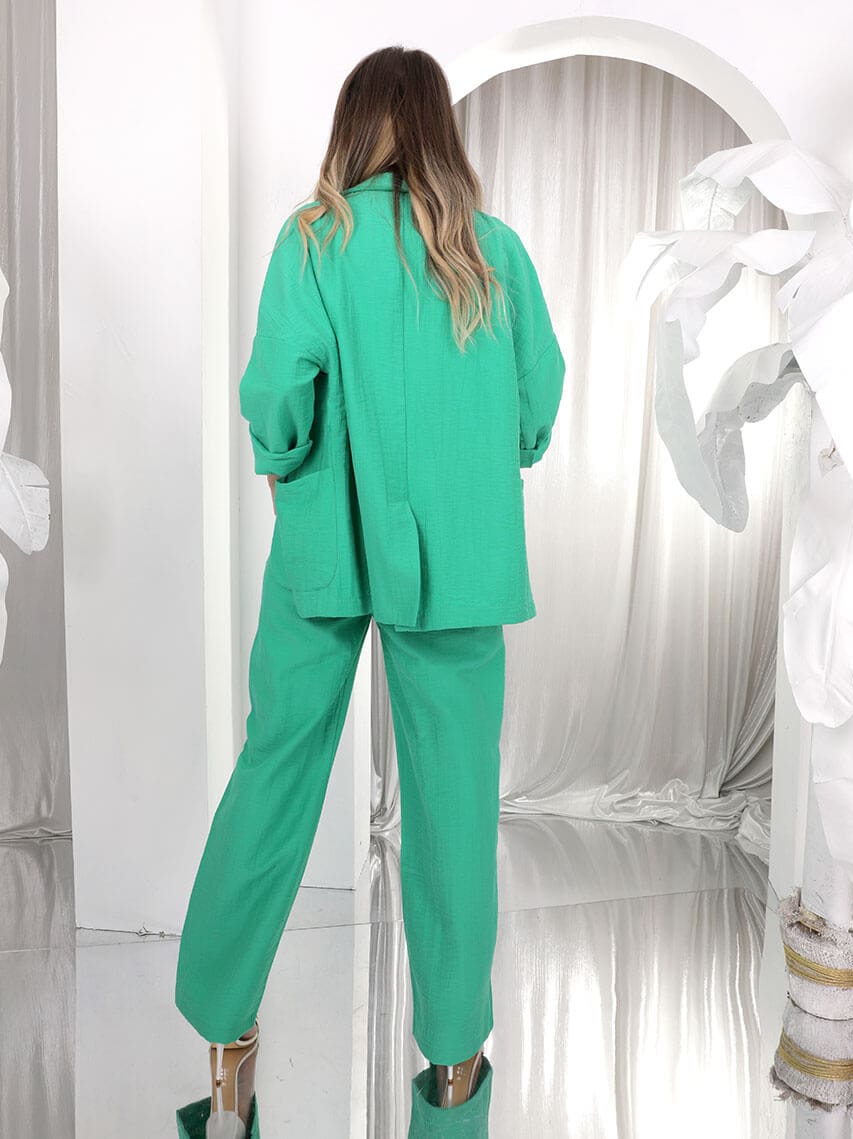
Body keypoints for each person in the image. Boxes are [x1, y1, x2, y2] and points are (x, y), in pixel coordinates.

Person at [174, 43, 566, 1138]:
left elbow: (276, 390)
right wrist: (475, 452)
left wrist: (284, 458)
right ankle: (454, 1082)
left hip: (324, 545)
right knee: (453, 808)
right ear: (439, 127)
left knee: (274, 772)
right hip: (458, 561)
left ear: (356, 126)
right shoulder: (493, 251)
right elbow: (537, 406)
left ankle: (227, 1054)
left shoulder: (314, 239)